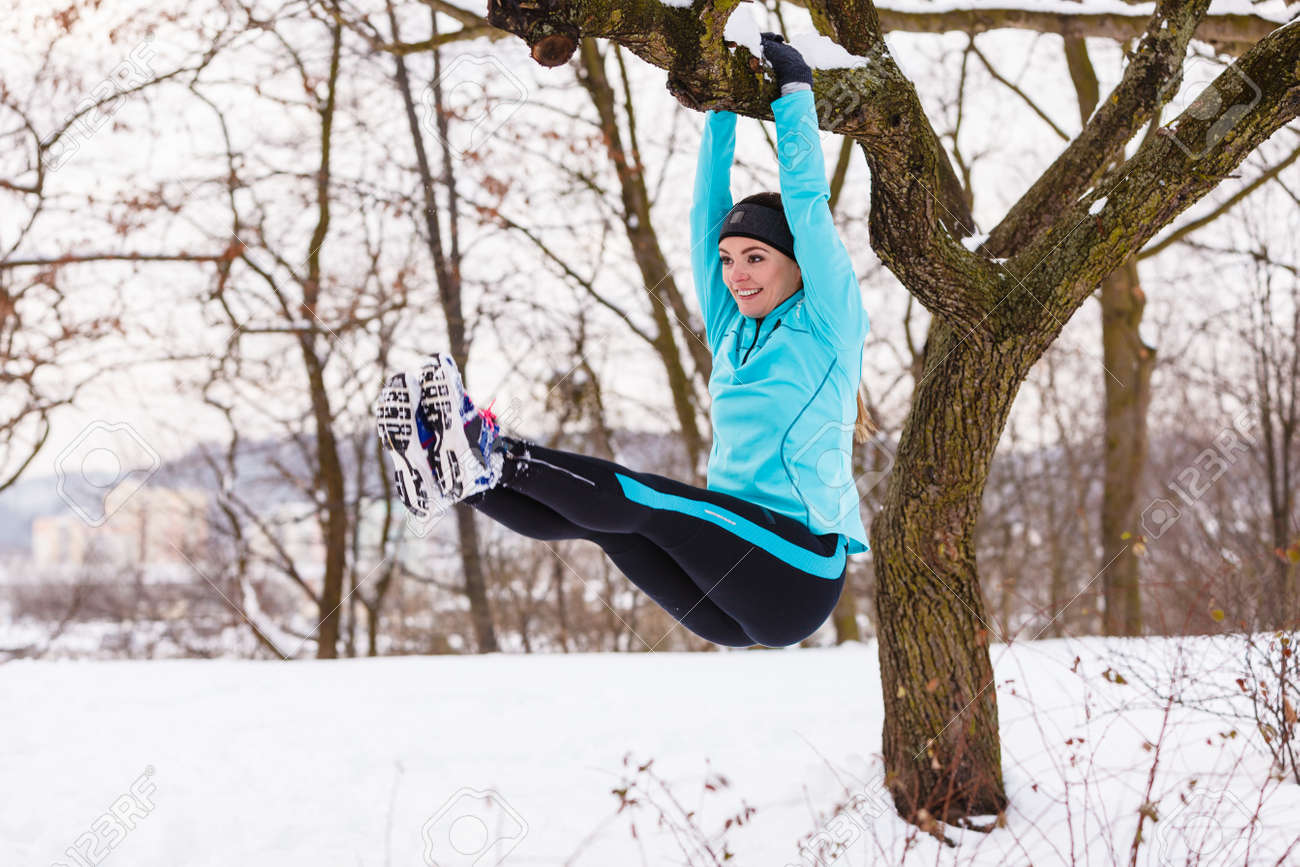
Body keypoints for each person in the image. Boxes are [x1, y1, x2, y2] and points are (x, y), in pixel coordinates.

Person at [374, 32, 871, 648]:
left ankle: (487, 448)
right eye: (728, 260)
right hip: (728, 593)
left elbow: (808, 204)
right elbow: (703, 216)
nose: (737, 274)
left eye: (756, 258)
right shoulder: (732, 328)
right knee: (611, 525)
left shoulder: (830, 325)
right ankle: (457, 478)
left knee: (644, 500)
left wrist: (794, 97)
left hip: (796, 568)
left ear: (799, 263)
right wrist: (719, 110)